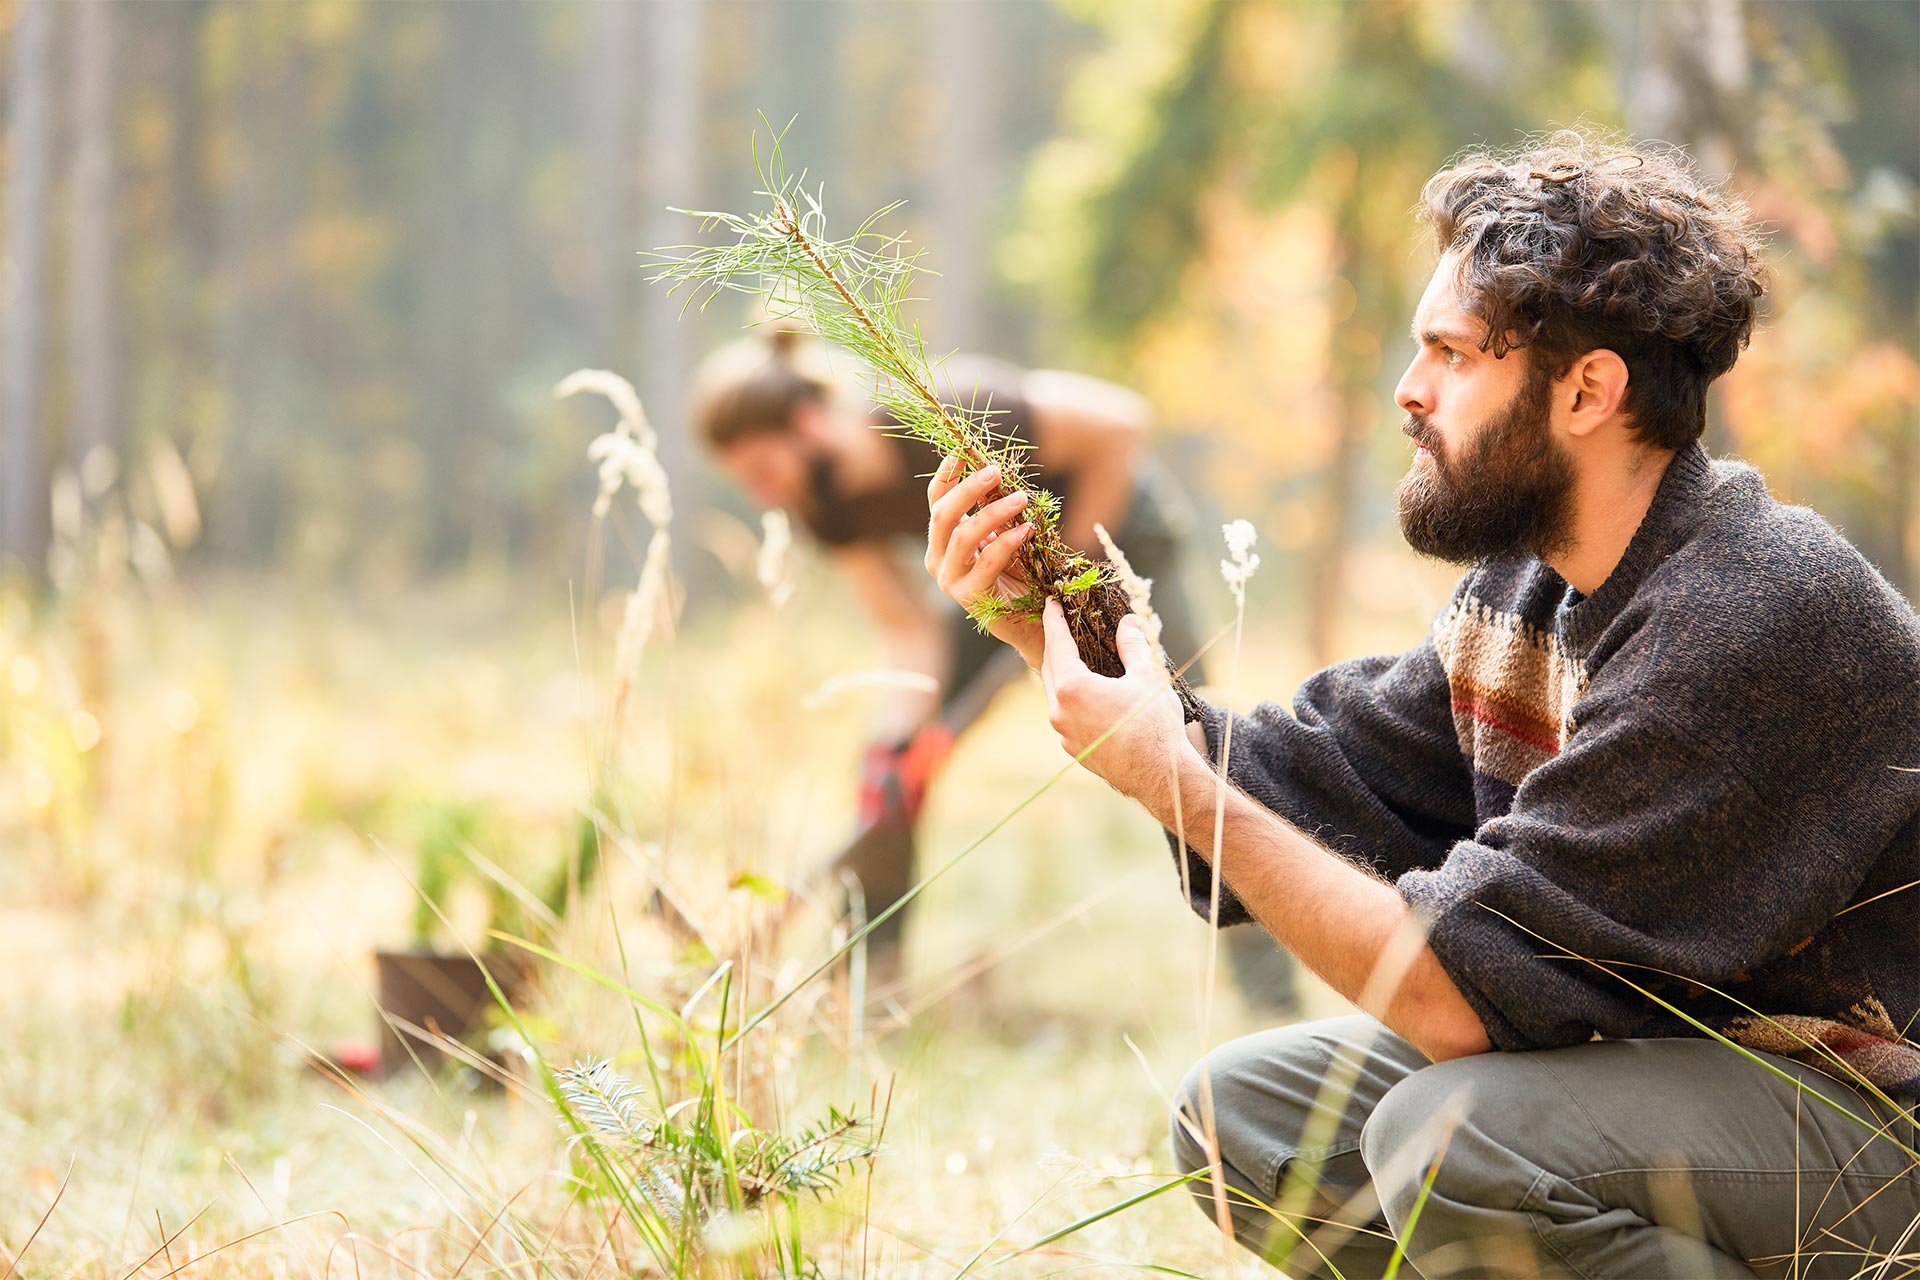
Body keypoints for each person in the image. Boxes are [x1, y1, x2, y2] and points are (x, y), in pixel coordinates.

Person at [926, 132, 1920, 1278]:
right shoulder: (1532, 582)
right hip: (1683, 1079)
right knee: (1246, 1118)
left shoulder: (1750, 609)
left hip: (1873, 1119)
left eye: (1450, 353)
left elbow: (1453, 998)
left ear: (1589, 389)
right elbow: (1316, 781)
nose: (1409, 390)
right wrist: (1049, 620)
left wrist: (1171, 778)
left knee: (1454, 1139)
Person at [693, 329, 1297, 1006]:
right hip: (1002, 577)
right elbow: (908, 632)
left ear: (804, 424)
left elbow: (1121, 426)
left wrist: (1064, 586)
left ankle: (1269, 993)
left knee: (1198, 751)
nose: (762, 495)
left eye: (761, 471)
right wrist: (904, 740)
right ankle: (864, 987)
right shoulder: (823, 505)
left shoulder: (942, 412)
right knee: (889, 769)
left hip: (1119, 544)